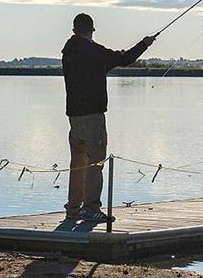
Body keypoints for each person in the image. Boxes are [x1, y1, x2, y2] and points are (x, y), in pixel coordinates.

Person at [61, 13, 155, 221]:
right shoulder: (93, 50)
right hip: (93, 116)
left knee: (78, 161)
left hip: (74, 117)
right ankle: (91, 208)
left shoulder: (68, 51)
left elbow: (99, 66)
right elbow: (124, 59)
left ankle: (73, 208)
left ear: (74, 29)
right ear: (91, 30)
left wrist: (106, 64)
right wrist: (144, 44)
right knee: (95, 161)